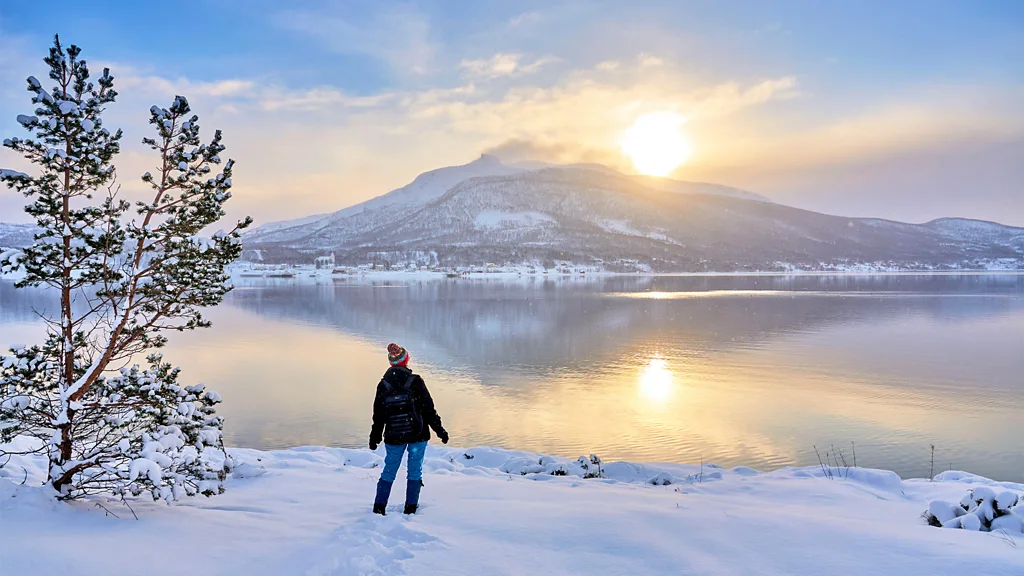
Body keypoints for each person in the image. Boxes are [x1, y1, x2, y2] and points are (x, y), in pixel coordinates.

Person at [370, 343, 449, 515]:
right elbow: (429, 410)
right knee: (414, 470)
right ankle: (410, 508)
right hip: (417, 435)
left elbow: (378, 415)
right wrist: (440, 430)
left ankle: (379, 507)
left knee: (389, 470)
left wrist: (374, 437)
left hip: (393, 435)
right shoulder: (416, 381)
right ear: (406, 360)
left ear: (391, 363)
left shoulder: (383, 385)